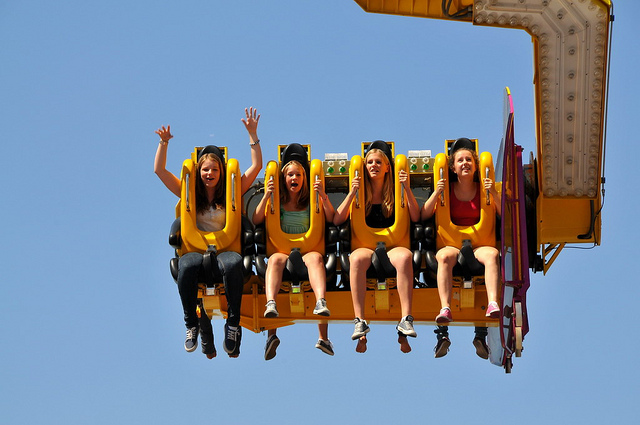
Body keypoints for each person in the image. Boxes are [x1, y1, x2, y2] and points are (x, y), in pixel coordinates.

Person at [154, 107, 262, 358]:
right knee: (187, 266)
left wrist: (252, 134)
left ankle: (232, 325)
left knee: (234, 264)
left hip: (226, 251)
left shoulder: (231, 192)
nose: (209, 174)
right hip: (196, 251)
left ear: (221, 172)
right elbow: (160, 171)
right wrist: (163, 143)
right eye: (205, 170)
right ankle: (191, 324)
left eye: (214, 170)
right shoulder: (188, 193)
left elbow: (256, 166)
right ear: (199, 173)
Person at [333, 141, 421, 353]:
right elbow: (337, 219)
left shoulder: (396, 191)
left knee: (405, 258)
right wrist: (352, 192)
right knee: (356, 259)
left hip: (393, 245)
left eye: (378, 162)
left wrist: (407, 188)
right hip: (366, 245)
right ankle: (360, 320)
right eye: (370, 162)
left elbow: (416, 216)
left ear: (387, 167)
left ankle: (406, 319)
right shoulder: (361, 192)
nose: (374, 165)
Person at [421, 140, 501, 357]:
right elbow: (424, 215)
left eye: (468, 160)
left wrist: (493, 192)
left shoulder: (484, 189)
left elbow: (506, 214)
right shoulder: (446, 190)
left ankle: (492, 304)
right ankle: (445, 308)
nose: (464, 163)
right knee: (444, 257)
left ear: (475, 166)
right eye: (460, 160)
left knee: (493, 255)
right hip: (452, 246)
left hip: (479, 246)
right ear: (453, 167)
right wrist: (436, 193)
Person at [253, 155, 336, 360]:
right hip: (282, 250)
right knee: (274, 261)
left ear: (304, 179)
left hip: (309, 250)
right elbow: (256, 219)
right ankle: (271, 307)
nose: (294, 178)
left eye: (298, 174)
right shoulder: (277, 203)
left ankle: (321, 308)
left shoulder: (310, 202)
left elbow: (332, 218)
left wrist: (323, 197)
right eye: (290, 174)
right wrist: (266, 196)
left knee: (316, 259)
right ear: (284, 178)